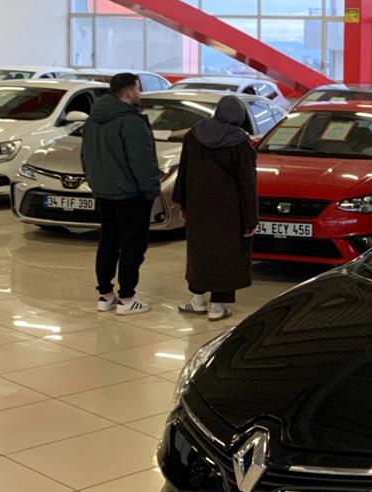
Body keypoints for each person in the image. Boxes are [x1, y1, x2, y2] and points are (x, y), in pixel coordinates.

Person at [81, 72, 159, 315]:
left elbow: (85, 156)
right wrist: (150, 191)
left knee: (108, 242)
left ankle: (105, 296)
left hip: (103, 193)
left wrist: (95, 183)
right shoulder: (131, 122)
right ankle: (127, 298)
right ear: (129, 91)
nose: (140, 93)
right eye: (138, 88)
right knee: (132, 247)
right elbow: (142, 162)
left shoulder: (93, 120)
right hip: (130, 195)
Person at [173, 95, 257, 321]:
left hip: (198, 205)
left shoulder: (193, 134)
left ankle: (197, 300)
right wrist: (250, 219)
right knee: (226, 254)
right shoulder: (240, 141)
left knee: (199, 250)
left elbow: (184, 171)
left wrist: (183, 202)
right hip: (230, 209)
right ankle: (218, 306)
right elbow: (247, 183)